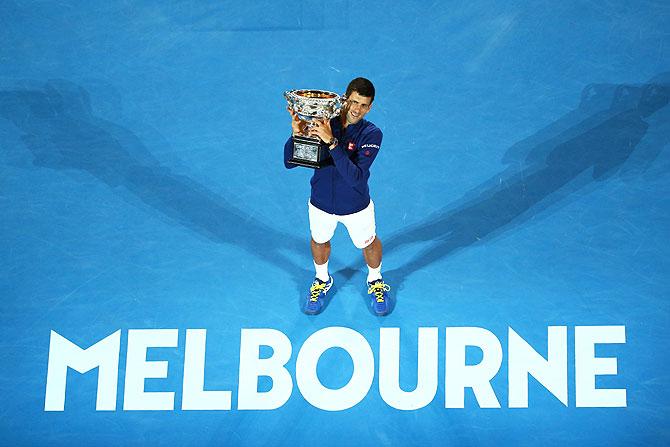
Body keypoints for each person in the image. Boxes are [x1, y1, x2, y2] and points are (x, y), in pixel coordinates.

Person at [284, 77, 391, 316]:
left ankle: (375, 280)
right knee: (319, 240)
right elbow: (291, 163)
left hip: (356, 206)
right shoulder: (323, 123)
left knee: (368, 243)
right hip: (321, 202)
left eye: (364, 105)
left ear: (370, 107)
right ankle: (322, 279)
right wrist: (297, 136)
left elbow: (356, 178)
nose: (357, 109)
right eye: (353, 102)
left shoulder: (372, 134)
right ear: (344, 100)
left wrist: (331, 143)